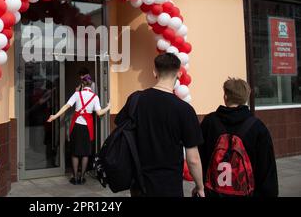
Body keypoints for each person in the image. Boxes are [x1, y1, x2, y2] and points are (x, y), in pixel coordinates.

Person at [115, 53, 205, 197]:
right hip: (169, 187)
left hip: (139, 184)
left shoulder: (135, 99)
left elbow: (121, 129)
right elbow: (193, 159)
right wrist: (199, 186)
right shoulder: (185, 110)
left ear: (154, 72)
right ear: (179, 74)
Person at [199, 78, 278, 197]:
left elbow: (200, 158)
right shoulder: (257, 127)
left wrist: (200, 187)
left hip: (213, 192)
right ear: (246, 98)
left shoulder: (209, 122)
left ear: (225, 97)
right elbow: (266, 167)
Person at [48, 74, 110, 185]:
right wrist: (108, 107)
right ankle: (82, 178)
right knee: (85, 153)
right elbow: (100, 113)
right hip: (87, 128)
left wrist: (55, 116)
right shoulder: (95, 97)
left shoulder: (77, 94)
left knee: (75, 153)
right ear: (91, 85)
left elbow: (66, 106)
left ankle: (75, 177)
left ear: (82, 84)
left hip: (77, 126)